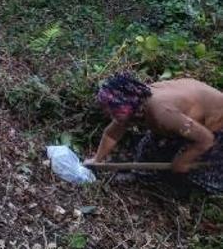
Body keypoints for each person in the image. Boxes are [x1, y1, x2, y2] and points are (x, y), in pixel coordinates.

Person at [88, 72, 223, 191]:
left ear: (124, 105)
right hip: (186, 121)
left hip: (215, 125)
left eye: (111, 109)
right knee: (146, 157)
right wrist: (97, 160)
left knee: (202, 175)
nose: (108, 114)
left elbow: (206, 139)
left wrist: (184, 160)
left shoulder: (161, 113)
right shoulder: (137, 100)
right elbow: (112, 133)